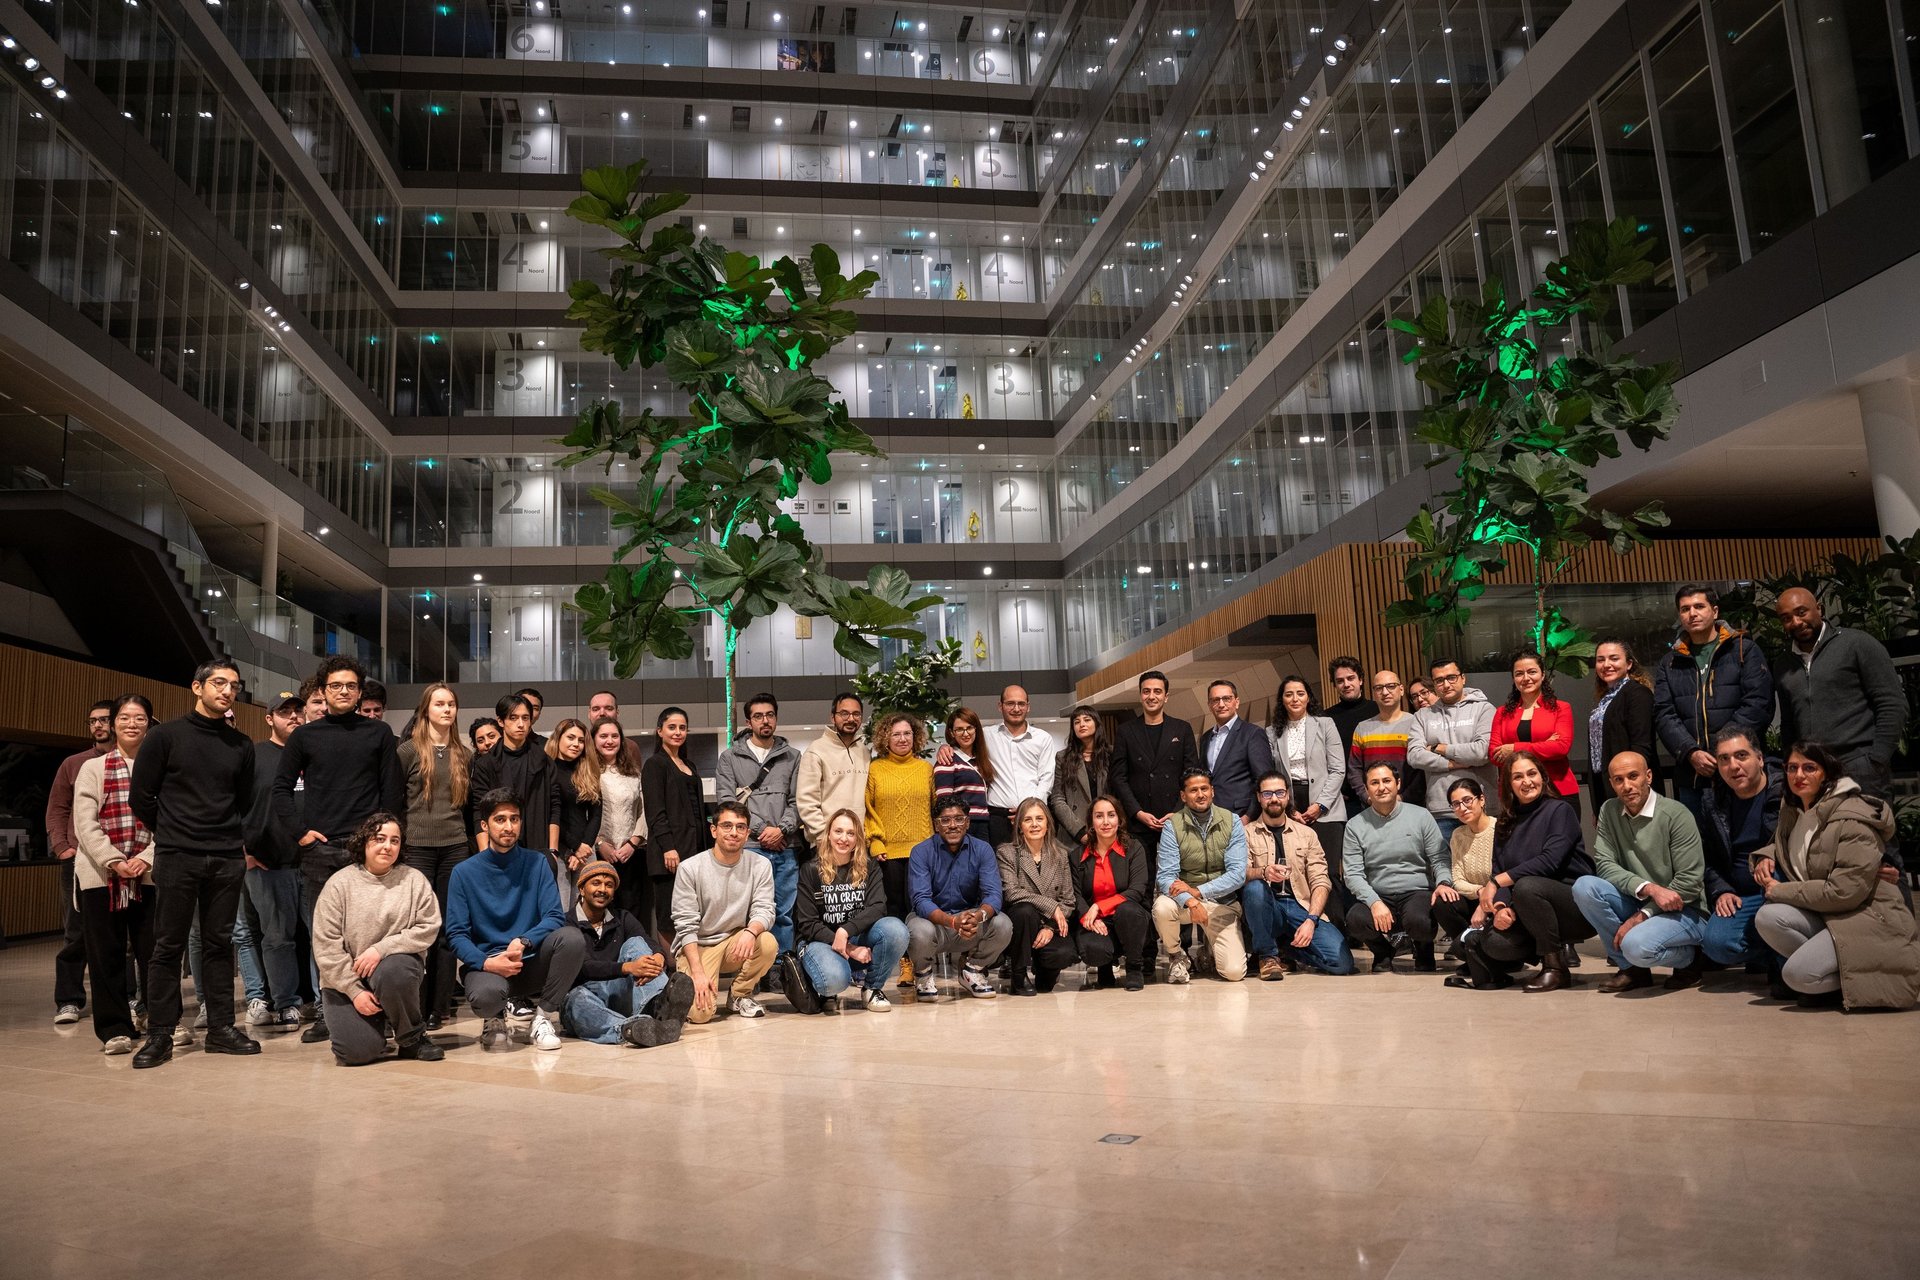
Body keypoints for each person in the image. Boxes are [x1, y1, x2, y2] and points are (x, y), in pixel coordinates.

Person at [127, 661, 261, 1069]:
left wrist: (227, 837)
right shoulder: (165, 736)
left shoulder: (240, 745)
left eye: (234, 686)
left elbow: (245, 802)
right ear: (197, 687)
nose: (227, 691)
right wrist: (172, 831)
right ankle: (161, 1035)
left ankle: (220, 1029)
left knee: (220, 946)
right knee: (167, 946)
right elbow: (141, 797)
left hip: (224, 857)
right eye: (219, 683)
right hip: (177, 854)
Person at [274, 655, 406, 1044]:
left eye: (351, 685)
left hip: (367, 852)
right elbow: (280, 788)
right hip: (321, 849)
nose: (344, 691)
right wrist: (299, 832)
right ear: (323, 690)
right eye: (335, 686)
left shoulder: (378, 734)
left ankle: (377, 1008)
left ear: (360, 690)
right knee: (326, 938)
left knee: (369, 935)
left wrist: (384, 840)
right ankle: (327, 1009)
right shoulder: (305, 736)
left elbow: (391, 793)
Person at [1754, 741, 1920, 1010]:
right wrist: (1766, 853)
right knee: (1767, 917)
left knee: (1796, 975)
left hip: (1866, 916)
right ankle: (1833, 975)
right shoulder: (1795, 811)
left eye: (1810, 768)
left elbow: (1842, 892)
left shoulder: (1851, 817)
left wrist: (1778, 890)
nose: (1799, 775)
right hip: (1831, 914)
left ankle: (1849, 982)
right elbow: (1800, 844)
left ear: (1827, 774)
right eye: (1792, 767)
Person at [445, 789, 586, 1050]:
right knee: (487, 997)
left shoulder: (537, 863)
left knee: (572, 939)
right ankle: (494, 1018)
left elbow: (554, 915)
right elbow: (456, 935)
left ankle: (542, 1019)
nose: (509, 826)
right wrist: (487, 962)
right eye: (500, 820)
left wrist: (524, 941)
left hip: (528, 960)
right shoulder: (464, 873)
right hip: (488, 966)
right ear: (485, 825)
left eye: (514, 819)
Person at [1446, 753, 1597, 992]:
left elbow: (1550, 861)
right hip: (1529, 907)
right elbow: (1500, 868)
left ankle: (1555, 968)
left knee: (1527, 885)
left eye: (1531, 774)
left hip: (1573, 906)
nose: (1526, 781)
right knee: (1494, 942)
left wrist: (1496, 882)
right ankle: (1537, 951)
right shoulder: (1506, 822)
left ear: (1543, 777)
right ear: (1508, 784)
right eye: (1518, 777)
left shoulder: (1560, 810)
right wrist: (1501, 907)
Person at [1572, 751, 1711, 992]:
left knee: (1636, 946)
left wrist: (1643, 915)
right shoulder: (1609, 810)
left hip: (1685, 910)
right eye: (1618, 780)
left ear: (1648, 776)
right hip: (1642, 900)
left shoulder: (1676, 814)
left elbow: (1688, 884)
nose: (1626, 786)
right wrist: (1649, 889)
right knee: (1584, 887)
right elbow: (1604, 864)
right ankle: (1632, 970)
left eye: (1633, 776)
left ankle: (1691, 961)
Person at [311, 813, 443, 1065]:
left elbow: (428, 927)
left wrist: (381, 949)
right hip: (345, 981)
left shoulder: (414, 880)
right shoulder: (338, 885)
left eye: (395, 840)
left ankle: (411, 1038)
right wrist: (354, 990)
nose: (387, 846)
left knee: (395, 971)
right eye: (380, 838)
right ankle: (376, 1027)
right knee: (356, 1053)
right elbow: (326, 947)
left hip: (394, 971)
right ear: (364, 842)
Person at [70, 695, 157, 1054]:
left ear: (149, 723)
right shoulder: (94, 768)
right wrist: (113, 859)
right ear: (114, 723)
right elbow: (84, 822)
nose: (131, 724)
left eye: (139, 717)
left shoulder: (160, 768)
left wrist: (146, 857)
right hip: (100, 876)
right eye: (124, 717)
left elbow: (168, 820)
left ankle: (157, 1018)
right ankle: (114, 1028)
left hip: (148, 875)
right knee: (105, 954)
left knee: (152, 953)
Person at [1653, 584, 1775, 825]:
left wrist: (1720, 751)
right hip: (1693, 775)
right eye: (1685, 609)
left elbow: (1758, 704)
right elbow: (1664, 714)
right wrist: (1690, 752)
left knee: (1748, 842)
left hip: (1739, 768)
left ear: (1715, 611)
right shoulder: (1670, 663)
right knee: (1700, 849)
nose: (1692, 613)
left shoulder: (1743, 649)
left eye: (1699, 606)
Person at [1773, 587, 1906, 806]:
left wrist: (1877, 759)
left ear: (1819, 609)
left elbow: (1892, 703)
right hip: (1812, 770)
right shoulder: (1784, 664)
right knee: (1822, 840)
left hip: (1859, 765)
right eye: (1786, 618)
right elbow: (1789, 723)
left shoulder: (1857, 644)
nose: (1796, 622)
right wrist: (1793, 766)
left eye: (1801, 612)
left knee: (1870, 838)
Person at [561, 859, 694, 1045]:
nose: (602, 890)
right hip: (585, 996)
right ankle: (631, 1028)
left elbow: (647, 941)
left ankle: (657, 1006)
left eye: (609, 885)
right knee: (576, 1001)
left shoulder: (622, 917)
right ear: (582, 889)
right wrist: (628, 967)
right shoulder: (566, 923)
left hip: (619, 995)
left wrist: (659, 956)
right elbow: (583, 967)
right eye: (596, 883)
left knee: (636, 943)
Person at [671, 801, 778, 1023]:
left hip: (734, 942)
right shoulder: (690, 868)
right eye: (727, 826)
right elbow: (685, 924)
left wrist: (751, 932)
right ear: (714, 830)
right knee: (700, 1015)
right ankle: (681, 984)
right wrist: (698, 972)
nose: (734, 832)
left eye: (740, 827)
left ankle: (739, 995)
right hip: (699, 946)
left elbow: (765, 908)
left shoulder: (760, 865)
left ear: (748, 833)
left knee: (766, 942)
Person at [1241, 771, 1354, 979]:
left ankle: (1286, 950)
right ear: (1258, 797)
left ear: (1287, 796)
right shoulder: (1246, 833)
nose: (1274, 798)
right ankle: (1267, 955)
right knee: (1255, 887)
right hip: (1267, 906)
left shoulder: (1307, 834)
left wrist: (1311, 920)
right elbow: (1240, 874)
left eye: (1279, 792)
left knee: (1341, 963)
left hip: (1299, 906)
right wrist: (1264, 872)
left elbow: (1321, 880)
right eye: (1267, 794)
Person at [1342, 764, 1454, 973]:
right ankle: (1383, 952)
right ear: (1367, 789)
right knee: (1356, 919)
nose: (1381, 787)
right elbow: (1353, 874)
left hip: (1416, 892)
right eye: (1374, 783)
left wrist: (1443, 882)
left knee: (1419, 921)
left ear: (1398, 784)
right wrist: (1374, 902)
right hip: (1379, 893)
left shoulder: (1421, 816)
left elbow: (1439, 858)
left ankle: (1423, 948)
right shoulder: (1355, 825)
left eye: (1386, 781)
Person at [794, 808, 909, 1012]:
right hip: (821, 943)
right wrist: (848, 949)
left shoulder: (869, 866)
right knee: (834, 980)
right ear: (828, 834)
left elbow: (878, 907)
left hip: (856, 938)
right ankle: (825, 986)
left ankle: (872, 989)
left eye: (851, 833)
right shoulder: (811, 869)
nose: (844, 838)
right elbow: (807, 923)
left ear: (858, 838)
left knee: (896, 930)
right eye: (838, 831)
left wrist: (845, 931)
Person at [715, 692, 802, 958]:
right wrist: (762, 830)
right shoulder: (730, 758)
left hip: (785, 847)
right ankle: (749, 971)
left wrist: (782, 829)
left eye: (770, 715)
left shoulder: (793, 756)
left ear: (776, 718)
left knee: (783, 913)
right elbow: (727, 802)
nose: (765, 720)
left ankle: (780, 971)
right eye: (758, 716)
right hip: (749, 846)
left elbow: (799, 800)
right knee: (746, 912)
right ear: (748, 721)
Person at [46, 699, 114, 1025]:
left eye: (103, 720)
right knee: (75, 932)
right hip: (77, 858)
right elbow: (57, 809)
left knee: (119, 933)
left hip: (118, 859)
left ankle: (125, 996)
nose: (97, 726)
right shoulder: (73, 763)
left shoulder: (128, 761)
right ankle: (69, 1000)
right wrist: (62, 847)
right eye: (92, 721)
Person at [243, 692, 307, 1031]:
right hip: (269, 864)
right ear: (270, 718)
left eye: (298, 710)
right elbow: (233, 805)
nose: (293, 717)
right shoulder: (253, 756)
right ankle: (286, 1003)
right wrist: (245, 851)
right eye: (285, 712)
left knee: (320, 937)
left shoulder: (313, 752)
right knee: (277, 937)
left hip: (312, 862)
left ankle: (326, 1002)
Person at [1697, 727, 1783, 981]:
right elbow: (1708, 858)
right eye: (1724, 759)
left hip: (1780, 887)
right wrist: (1720, 889)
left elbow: (1803, 843)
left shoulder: (1785, 793)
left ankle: (1783, 960)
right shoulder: (1712, 802)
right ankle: (1768, 955)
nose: (1733, 766)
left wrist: (1772, 852)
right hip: (1741, 895)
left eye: (1741, 756)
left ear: (1759, 758)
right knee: (1716, 945)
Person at [906, 796, 1011, 998]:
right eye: (945, 820)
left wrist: (978, 916)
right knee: (917, 929)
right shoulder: (920, 852)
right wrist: (951, 921)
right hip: (935, 923)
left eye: (959, 819)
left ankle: (972, 970)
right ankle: (923, 974)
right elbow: (920, 900)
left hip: (969, 922)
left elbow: (994, 895)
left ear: (968, 822)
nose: (953, 825)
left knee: (1003, 924)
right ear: (936, 825)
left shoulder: (982, 849)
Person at [1153, 768, 1250, 983]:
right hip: (1185, 903)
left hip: (1222, 903)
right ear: (1183, 796)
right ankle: (1176, 956)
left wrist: (1198, 892)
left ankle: (1209, 948)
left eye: (1204, 788)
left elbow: (1237, 875)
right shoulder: (1173, 826)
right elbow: (1166, 876)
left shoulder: (1232, 821)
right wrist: (1190, 900)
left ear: (1212, 791)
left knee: (1234, 973)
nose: (1200, 794)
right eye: (1193, 790)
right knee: (1161, 907)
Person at [1407, 656, 1498, 844]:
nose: (1446, 684)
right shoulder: (1423, 716)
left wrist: (1439, 748)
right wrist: (1449, 764)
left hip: (1482, 806)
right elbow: (1414, 755)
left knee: (1489, 868)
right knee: (1446, 869)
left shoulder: (1484, 709)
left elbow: (1483, 751)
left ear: (1463, 678)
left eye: (1451, 677)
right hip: (1441, 810)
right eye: (1439, 680)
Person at [997, 798, 1078, 995]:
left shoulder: (1060, 855)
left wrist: (1050, 927)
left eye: (1039, 819)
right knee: (1025, 910)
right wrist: (1051, 906)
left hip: (1049, 927)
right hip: (1020, 928)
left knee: (1065, 954)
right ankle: (1018, 974)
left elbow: (1068, 901)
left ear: (1048, 824)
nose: (1034, 824)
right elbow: (1012, 892)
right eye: (1028, 820)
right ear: (1019, 827)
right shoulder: (1007, 852)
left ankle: (1045, 971)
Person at [1109, 670, 1199, 847]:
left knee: (1178, 873)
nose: (1151, 696)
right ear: (1140, 695)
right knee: (1142, 874)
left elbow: (1191, 775)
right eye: (1146, 691)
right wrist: (1137, 812)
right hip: (1138, 821)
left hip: (1176, 817)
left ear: (1166, 696)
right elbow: (1118, 777)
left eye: (1157, 691)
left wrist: (1178, 811)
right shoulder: (1125, 731)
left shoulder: (1182, 729)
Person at [1263, 675, 1347, 861]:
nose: (1295, 699)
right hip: (1289, 804)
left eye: (1300, 694)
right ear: (1282, 700)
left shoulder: (1325, 724)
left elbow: (1338, 769)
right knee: (1296, 868)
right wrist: (1289, 809)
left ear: (1308, 697)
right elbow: (1271, 775)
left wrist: (1321, 805)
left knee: (1328, 868)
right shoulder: (1271, 732)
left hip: (1326, 803)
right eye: (1289, 695)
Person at [865, 712, 934, 929]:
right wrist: (874, 841)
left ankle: (919, 959)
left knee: (919, 909)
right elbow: (868, 808)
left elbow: (935, 808)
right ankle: (900, 960)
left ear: (916, 736)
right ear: (885, 738)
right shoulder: (875, 769)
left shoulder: (926, 769)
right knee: (893, 910)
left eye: (907, 733)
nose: (902, 739)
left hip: (922, 852)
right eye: (896, 734)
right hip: (888, 853)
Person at [640, 706, 705, 940]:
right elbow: (655, 812)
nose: (677, 732)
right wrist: (668, 846)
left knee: (692, 912)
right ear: (660, 731)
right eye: (672, 727)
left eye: (682, 728)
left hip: (694, 849)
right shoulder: (654, 764)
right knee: (669, 916)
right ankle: (673, 972)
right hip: (670, 852)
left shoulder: (690, 765)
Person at [469, 693, 560, 857]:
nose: (521, 724)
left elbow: (555, 806)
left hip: (538, 847)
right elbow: (478, 810)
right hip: (498, 850)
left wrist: (553, 850)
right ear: (501, 721)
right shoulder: (486, 764)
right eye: (513, 718)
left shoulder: (544, 760)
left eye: (525, 718)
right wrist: (484, 853)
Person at [1490, 650, 1577, 800]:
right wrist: (1545, 745)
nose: (1526, 678)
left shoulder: (1561, 708)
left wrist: (1514, 749)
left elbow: (1561, 747)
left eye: (1532, 672)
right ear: (1513, 679)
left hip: (1558, 790)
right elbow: (1494, 755)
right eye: (1519, 674)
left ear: (1542, 675)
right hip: (1517, 794)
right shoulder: (1502, 713)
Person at [1428, 777, 1495, 968]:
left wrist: (1486, 898)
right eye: (1456, 804)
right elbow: (1457, 879)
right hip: (1475, 897)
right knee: (1442, 902)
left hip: (1500, 898)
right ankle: (1471, 955)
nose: (1462, 808)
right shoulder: (1458, 835)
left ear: (1481, 800)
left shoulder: (1499, 829)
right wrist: (1480, 892)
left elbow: (1504, 874)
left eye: (1467, 800)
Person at [1589, 637, 1657, 817]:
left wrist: (1632, 786)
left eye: (1614, 658)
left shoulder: (1638, 694)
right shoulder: (1606, 698)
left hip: (1630, 790)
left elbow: (1641, 746)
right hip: (1607, 786)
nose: (1606, 664)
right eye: (1600, 660)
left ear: (1629, 664)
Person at [981, 685, 1056, 847]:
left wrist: (1028, 810)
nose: (1016, 708)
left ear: (1028, 707)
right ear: (1000, 706)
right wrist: (947, 747)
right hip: (997, 818)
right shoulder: (986, 735)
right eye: (1010, 703)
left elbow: (1046, 778)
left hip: (1033, 816)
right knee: (1000, 868)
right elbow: (962, 744)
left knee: (1034, 865)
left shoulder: (1043, 739)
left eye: (1021, 704)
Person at [588, 718, 647, 918]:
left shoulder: (633, 773)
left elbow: (643, 811)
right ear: (593, 740)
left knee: (632, 911)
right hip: (597, 854)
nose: (609, 741)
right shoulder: (587, 773)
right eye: (603, 736)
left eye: (615, 736)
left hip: (630, 854)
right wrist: (600, 844)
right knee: (601, 912)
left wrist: (634, 842)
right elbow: (583, 815)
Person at [1346, 671, 1424, 816]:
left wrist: (1403, 798)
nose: (1385, 692)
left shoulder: (1417, 723)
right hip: (1372, 810)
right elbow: (1354, 770)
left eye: (1391, 686)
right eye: (1379, 688)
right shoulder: (1362, 728)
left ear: (1401, 690)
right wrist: (1367, 798)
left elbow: (1422, 771)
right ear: (1374, 693)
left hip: (1411, 808)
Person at [1197, 679, 1274, 818]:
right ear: (1209, 705)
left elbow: (1264, 780)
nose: (1221, 704)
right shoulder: (1205, 738)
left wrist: (1249, 815)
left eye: (1226, 699)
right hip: (1210, 815)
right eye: (1215, 700)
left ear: (1237, 702)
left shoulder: (1252, 733)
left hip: (1241, 816)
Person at [548, 718, 601, 909]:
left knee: (589, 909)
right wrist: (574, 848)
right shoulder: (547, 769)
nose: (576, 744)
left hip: (586, 850)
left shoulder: (587, 770)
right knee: (561, 908)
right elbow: (552, 814)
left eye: (580, 740)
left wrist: (585, 846)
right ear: (558, 738)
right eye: (571, 737)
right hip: (560, 847)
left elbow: (596, 814)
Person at [1324, 656, 1379, 817]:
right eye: (1340, 681)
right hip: (1345, 800)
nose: (1346, 684)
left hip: (1379, 792)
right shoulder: (1326, 718)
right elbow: (1321, 759)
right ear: (1335, 685)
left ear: (1360, 680)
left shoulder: (1377, 710)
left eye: (1350, 678)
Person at [1049, 705, 1109, 847]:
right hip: (1074, 834)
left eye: (1087, 720)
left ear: (1096, 724)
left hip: (1106, 828)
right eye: (1076, 722)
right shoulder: (1063, 757)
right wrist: (1080, 831)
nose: (1081, 724)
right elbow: (1057, 798)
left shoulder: (1110, 755)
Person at [934, 706, 994, 845]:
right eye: (959, 729)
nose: (965, 733)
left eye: (969, 728)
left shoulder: (981, 759)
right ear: (951, 732)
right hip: (962, 826)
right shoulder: (947, 760)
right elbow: (944, 804)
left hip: (983, 823)